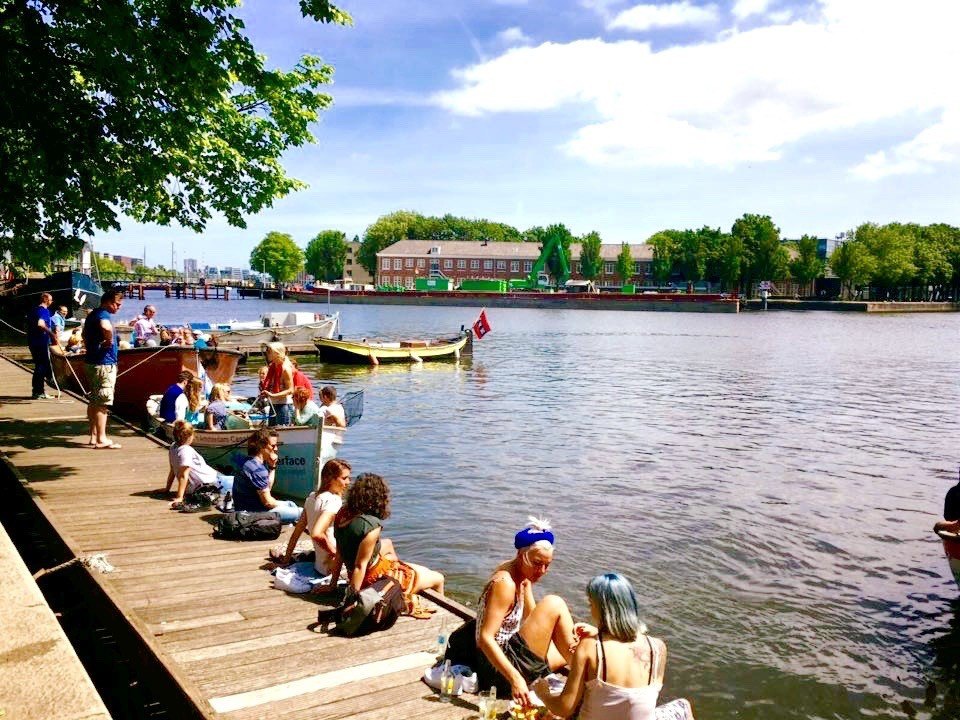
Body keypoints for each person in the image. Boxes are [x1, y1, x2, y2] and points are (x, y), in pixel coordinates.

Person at [533, 573, 690, 720]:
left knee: (552, 686)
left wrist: (543, 693)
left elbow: (564, 708)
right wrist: (597, 633)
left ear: (602, 610)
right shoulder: (658, 648)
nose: (590, 609)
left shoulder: (589, 648)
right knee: (683, 705)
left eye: (591, 604)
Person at [473, 518, 576, 705]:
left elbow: (532, 617)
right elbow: (485, 638)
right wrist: (516, 679)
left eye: (547, 565)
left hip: (510, 654)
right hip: (497, 672)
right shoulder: (505, 584)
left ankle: (587, 675)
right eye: (537, 563)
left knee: (572, 653)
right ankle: (588, 682)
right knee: (555, 603)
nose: (542, 570)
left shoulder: (522, 577)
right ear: (522, 555)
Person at [323, 473, 444, 601]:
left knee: (388, 545)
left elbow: (340, 553)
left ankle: (397, 568)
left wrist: (332, 585)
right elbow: (360, 566)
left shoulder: (342, 514)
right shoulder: (371, 525)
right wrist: (352, 601)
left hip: (355, 573)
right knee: (438, 578)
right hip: (374, 580)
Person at [279, 458, 352, 574]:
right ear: (330, 479)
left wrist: (286, 560)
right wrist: (336, 554)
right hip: (332, 566)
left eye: (349, 478)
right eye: (344, 478)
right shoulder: (333, 501)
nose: (348, 482)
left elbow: (296, 533)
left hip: (320, 566)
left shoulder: (312, 498)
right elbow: (317, 534)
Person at [81, 289, 124, 448]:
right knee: (102, 402)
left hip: (92, 362)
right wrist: (109, 341)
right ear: (108, 301)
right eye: (117, 304)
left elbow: (84, 335)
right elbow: (106, 327)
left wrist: (92, 346)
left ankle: (93, 436)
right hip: (104, 364)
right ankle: (101, 439)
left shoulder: (92, 315)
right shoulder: (103, 315)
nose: (118, 308)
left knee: (94, 400)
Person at [232, 428, 302, 523]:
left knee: (291, 504)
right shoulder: (257, 469)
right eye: (273, 446)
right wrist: (280, 504)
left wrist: (272, 467)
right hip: (252, 514)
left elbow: (266, 488)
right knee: (301, 512)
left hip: (242, 508)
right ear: (261, 446)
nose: (276, 449)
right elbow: (268, 502)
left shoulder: (249, 462)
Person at [164, 420, 233, 508]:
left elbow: (173, 470)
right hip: (210, 482)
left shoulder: (173, 447)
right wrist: (180, 497)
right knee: (239, 486)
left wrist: (167, 489)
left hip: (198, 484)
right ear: (189, 436)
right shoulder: (186, 450)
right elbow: (183, 475)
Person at [26, 292, 58, 399]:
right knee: (41, 366)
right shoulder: (43, 310)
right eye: (50, 300)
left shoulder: (34, 310)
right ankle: (38, 391)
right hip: (40, 342)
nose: (51, 302)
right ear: (45, 299)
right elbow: (40, 324)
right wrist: (52, 334)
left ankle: (38, 391)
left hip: (33, 341)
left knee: (40, 366)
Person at [260, 342, 295, 426]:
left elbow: (291, 390)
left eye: (269, 351)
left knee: (283, 433)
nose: (267, 353)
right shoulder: (273, 366)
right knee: (271, 432)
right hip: (274, 403)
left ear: (276, 353)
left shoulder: (286, 369)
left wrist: (272, 395)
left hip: (284, 405)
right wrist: (267, 393)